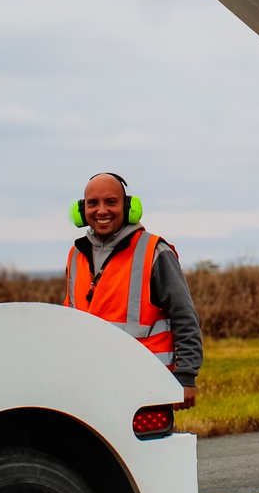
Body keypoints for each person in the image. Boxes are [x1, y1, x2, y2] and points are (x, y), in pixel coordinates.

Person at [64, 172, 203, 408]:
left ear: (128, 207)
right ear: (81, 210)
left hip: (146, 383)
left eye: (111, 202)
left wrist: (186, 376)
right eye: (92, 203)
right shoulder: (76, 255)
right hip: (90, 385)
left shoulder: (154, 251)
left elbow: (184, 315)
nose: (101, 211)